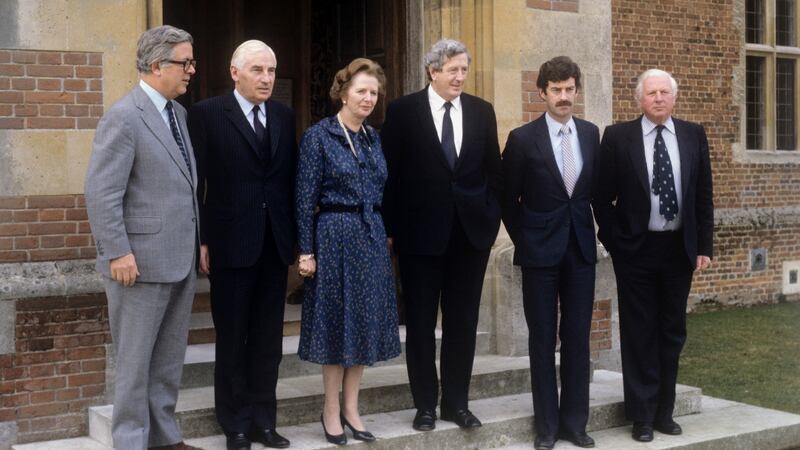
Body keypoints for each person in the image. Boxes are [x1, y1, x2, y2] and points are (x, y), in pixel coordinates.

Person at [84, 25, 201, 450]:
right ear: (156, 65)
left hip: (179, 260)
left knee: (167, 362)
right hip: (137, 265)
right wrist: (117, 252)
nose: (191, 70)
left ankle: (165, 439)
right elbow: (101, 192)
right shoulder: (123, 116)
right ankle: (131, 442)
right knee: (135, 365)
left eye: (191, 61)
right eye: (184, 62)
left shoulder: (178, 114)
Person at [380, 39, 502, 431]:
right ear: (433, 71)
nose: (460, 76)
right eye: (453, 70)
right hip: (419, 237)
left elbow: (493, 172)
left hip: (470, 236)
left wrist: (490, 216)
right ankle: (426, 406)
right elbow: (389, 178)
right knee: (419, 324)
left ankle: (456, 402)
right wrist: (390, 230)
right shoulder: (402, 112)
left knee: (462, 323)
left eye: (464, 69)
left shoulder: (482, 112)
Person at [592, 69, 714, 443]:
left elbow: (703, 195)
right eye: (651, 93)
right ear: (639, 100)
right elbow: (600, 197)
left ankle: (665, 411)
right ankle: (641, 415)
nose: (658, 98)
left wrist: (704, 246)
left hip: (678, 250)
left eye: (664, 92)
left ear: (674, 98)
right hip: (637, 250)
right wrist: (617, 243)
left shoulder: (693, 135)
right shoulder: (618, 137)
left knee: (672, 332)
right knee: (639, 332)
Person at [187, 40, 296, 450]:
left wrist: (297, 240)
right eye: (257, 70)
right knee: (232, 337)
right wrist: (201, 239)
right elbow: (195, 185)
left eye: (270, 70)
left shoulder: (284, 115)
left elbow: (288, 181)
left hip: (274, 243)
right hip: (230, 243)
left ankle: (264, 421)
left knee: (269, 340)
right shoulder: (208, 114)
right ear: (235, 72)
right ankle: (234, 424)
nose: (267, 78)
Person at [295, 58, 401, 446]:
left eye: (374, 92)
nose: (368, 98)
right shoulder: (319, 136)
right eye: (361, 91)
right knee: (336, 323)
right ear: (343, 92)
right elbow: (304, 199)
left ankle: (352, 407)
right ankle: (329, 408)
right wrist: (306, 251)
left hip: (370, 234)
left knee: (364, 323)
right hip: (333, 235)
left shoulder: (373, 137)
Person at [502, 56, 599, 450]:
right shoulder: (523, 139)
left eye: (569, 89)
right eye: (555, 90)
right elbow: (507, 199)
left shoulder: (592, 134)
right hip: (539, 252)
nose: (563, 97)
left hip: (580, 250)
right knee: (542, 338)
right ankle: (547, 427)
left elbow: (594, 191)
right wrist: (525, 241)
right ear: (541, 92)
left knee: (577, 337)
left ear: (576, 90)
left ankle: (575, 424)